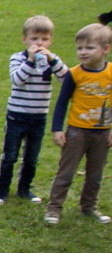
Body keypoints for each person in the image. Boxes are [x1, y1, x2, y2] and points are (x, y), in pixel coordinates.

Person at [0, 15, 67, 205]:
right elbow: (17, 80)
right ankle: (2, 189)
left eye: (44, 39)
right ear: (25, 39)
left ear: (50, 40)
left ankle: (25, 188)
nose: (39, 43)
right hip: (17, 116)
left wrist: (53, 60)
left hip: (39, 117)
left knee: (32, 157)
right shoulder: (18, 58)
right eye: (34, 39)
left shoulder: (52, 61)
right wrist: (31, 60)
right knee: (10, 155)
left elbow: (67, 80)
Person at [44, 23, 112, 224]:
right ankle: (54, 209)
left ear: (106, 49)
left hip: (102, 133)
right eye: (79, 48)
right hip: (76, 133)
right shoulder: (74, 74)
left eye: (89, 48)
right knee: (65, 173)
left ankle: (89, 207)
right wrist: (57, 129)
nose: (83, 52)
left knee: (95, 175)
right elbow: (62, 102)